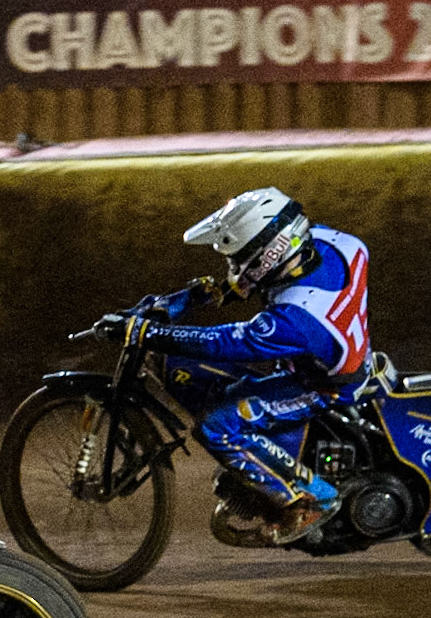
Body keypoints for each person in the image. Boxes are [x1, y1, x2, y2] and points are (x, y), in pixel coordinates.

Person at [91, 187, 370, 545]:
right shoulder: (340, 245)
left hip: (320, 384)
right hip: (331, 354)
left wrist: (149, 332)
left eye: (240, 258)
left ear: (269, 254)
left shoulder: (297, 319)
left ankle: (311, 497)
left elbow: (226, 342)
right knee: (226, 388)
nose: (234, 267)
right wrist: (212, 291)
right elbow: (257, 281)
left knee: (216, 425)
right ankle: (264, 469)